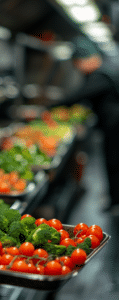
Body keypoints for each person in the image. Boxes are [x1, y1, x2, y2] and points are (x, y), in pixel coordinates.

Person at [49, 36, 119, 215]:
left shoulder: (102, 74)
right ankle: (114, 199)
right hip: (110, 127)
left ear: (89, 59)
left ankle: (115, 203)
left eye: (78, 62)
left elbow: (80, 95)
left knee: (114, 162)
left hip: (115, 128)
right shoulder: (101, 73)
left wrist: (51, 107)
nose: (78, 67)